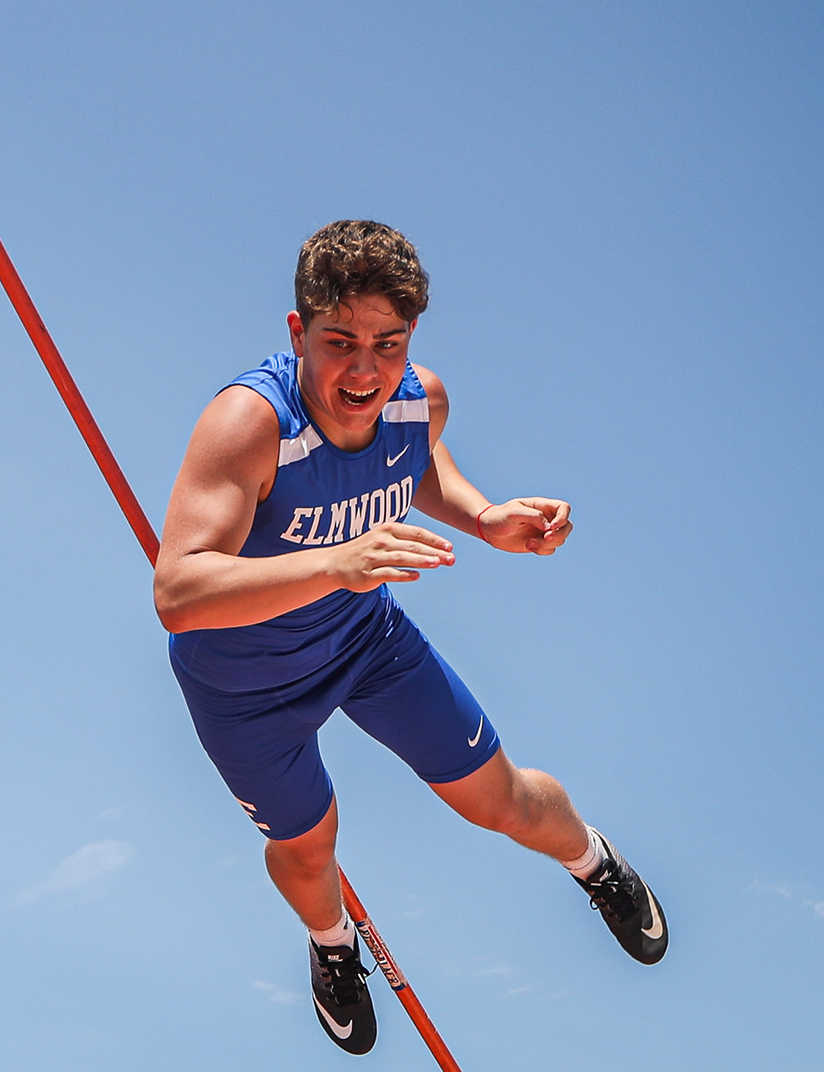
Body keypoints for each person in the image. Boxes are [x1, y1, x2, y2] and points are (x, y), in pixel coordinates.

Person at [153, 220, 665, 1056]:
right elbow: (176, 590)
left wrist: (486, 515)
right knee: (310, 847)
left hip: (363, 640)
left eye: (387, 344)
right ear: (297, 332)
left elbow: (419, 464)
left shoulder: (417, 397)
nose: (365, 370)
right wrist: (335, 562)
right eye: (340, 342)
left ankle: (595, 861)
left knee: (499, 799)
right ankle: (331, 946)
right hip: (243, 685)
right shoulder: (249, 424)